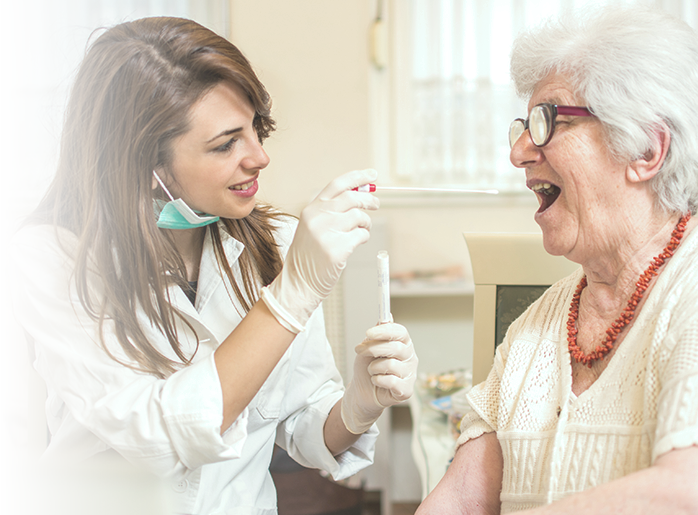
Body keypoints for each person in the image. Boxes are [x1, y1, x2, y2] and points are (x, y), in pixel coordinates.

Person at [7, 17, 418, 514]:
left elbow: (303, 427)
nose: (259, 157)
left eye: (255, 130)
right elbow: (157, 442)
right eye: (226, 144)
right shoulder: (52, 257)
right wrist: (288, 299)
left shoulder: (275, 245)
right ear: (144, 166)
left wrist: (360, 400)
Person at [417, 5, 698, 514]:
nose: (519, 151)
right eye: (524, 125)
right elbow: (460, 500)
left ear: (647, 151)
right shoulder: (536, 329)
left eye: (547, 121)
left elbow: (685, 492)